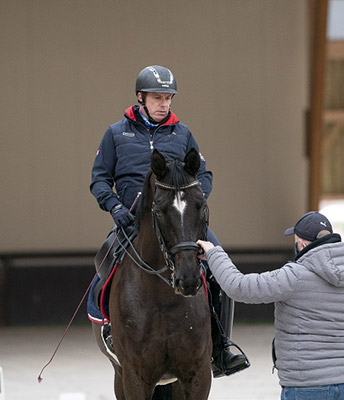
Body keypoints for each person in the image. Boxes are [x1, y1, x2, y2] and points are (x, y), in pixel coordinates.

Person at [89, 65, 249, 377]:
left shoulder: (183, 133)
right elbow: (99, 180)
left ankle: (222, 348)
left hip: (180, 222)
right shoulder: (115, 134)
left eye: (168, 98)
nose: (164, 103)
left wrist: (191, 203)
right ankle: (111, 332)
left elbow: (203, 175)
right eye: (157, 97)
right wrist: (116, 208)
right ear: (141, 98)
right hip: (131, 222)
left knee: (220, 269)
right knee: (101, 274)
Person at [197, 211, 344, 399]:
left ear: (302, 244)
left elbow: (239, 287)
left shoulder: (295, 275)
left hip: (305, 387)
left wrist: (214, 254)